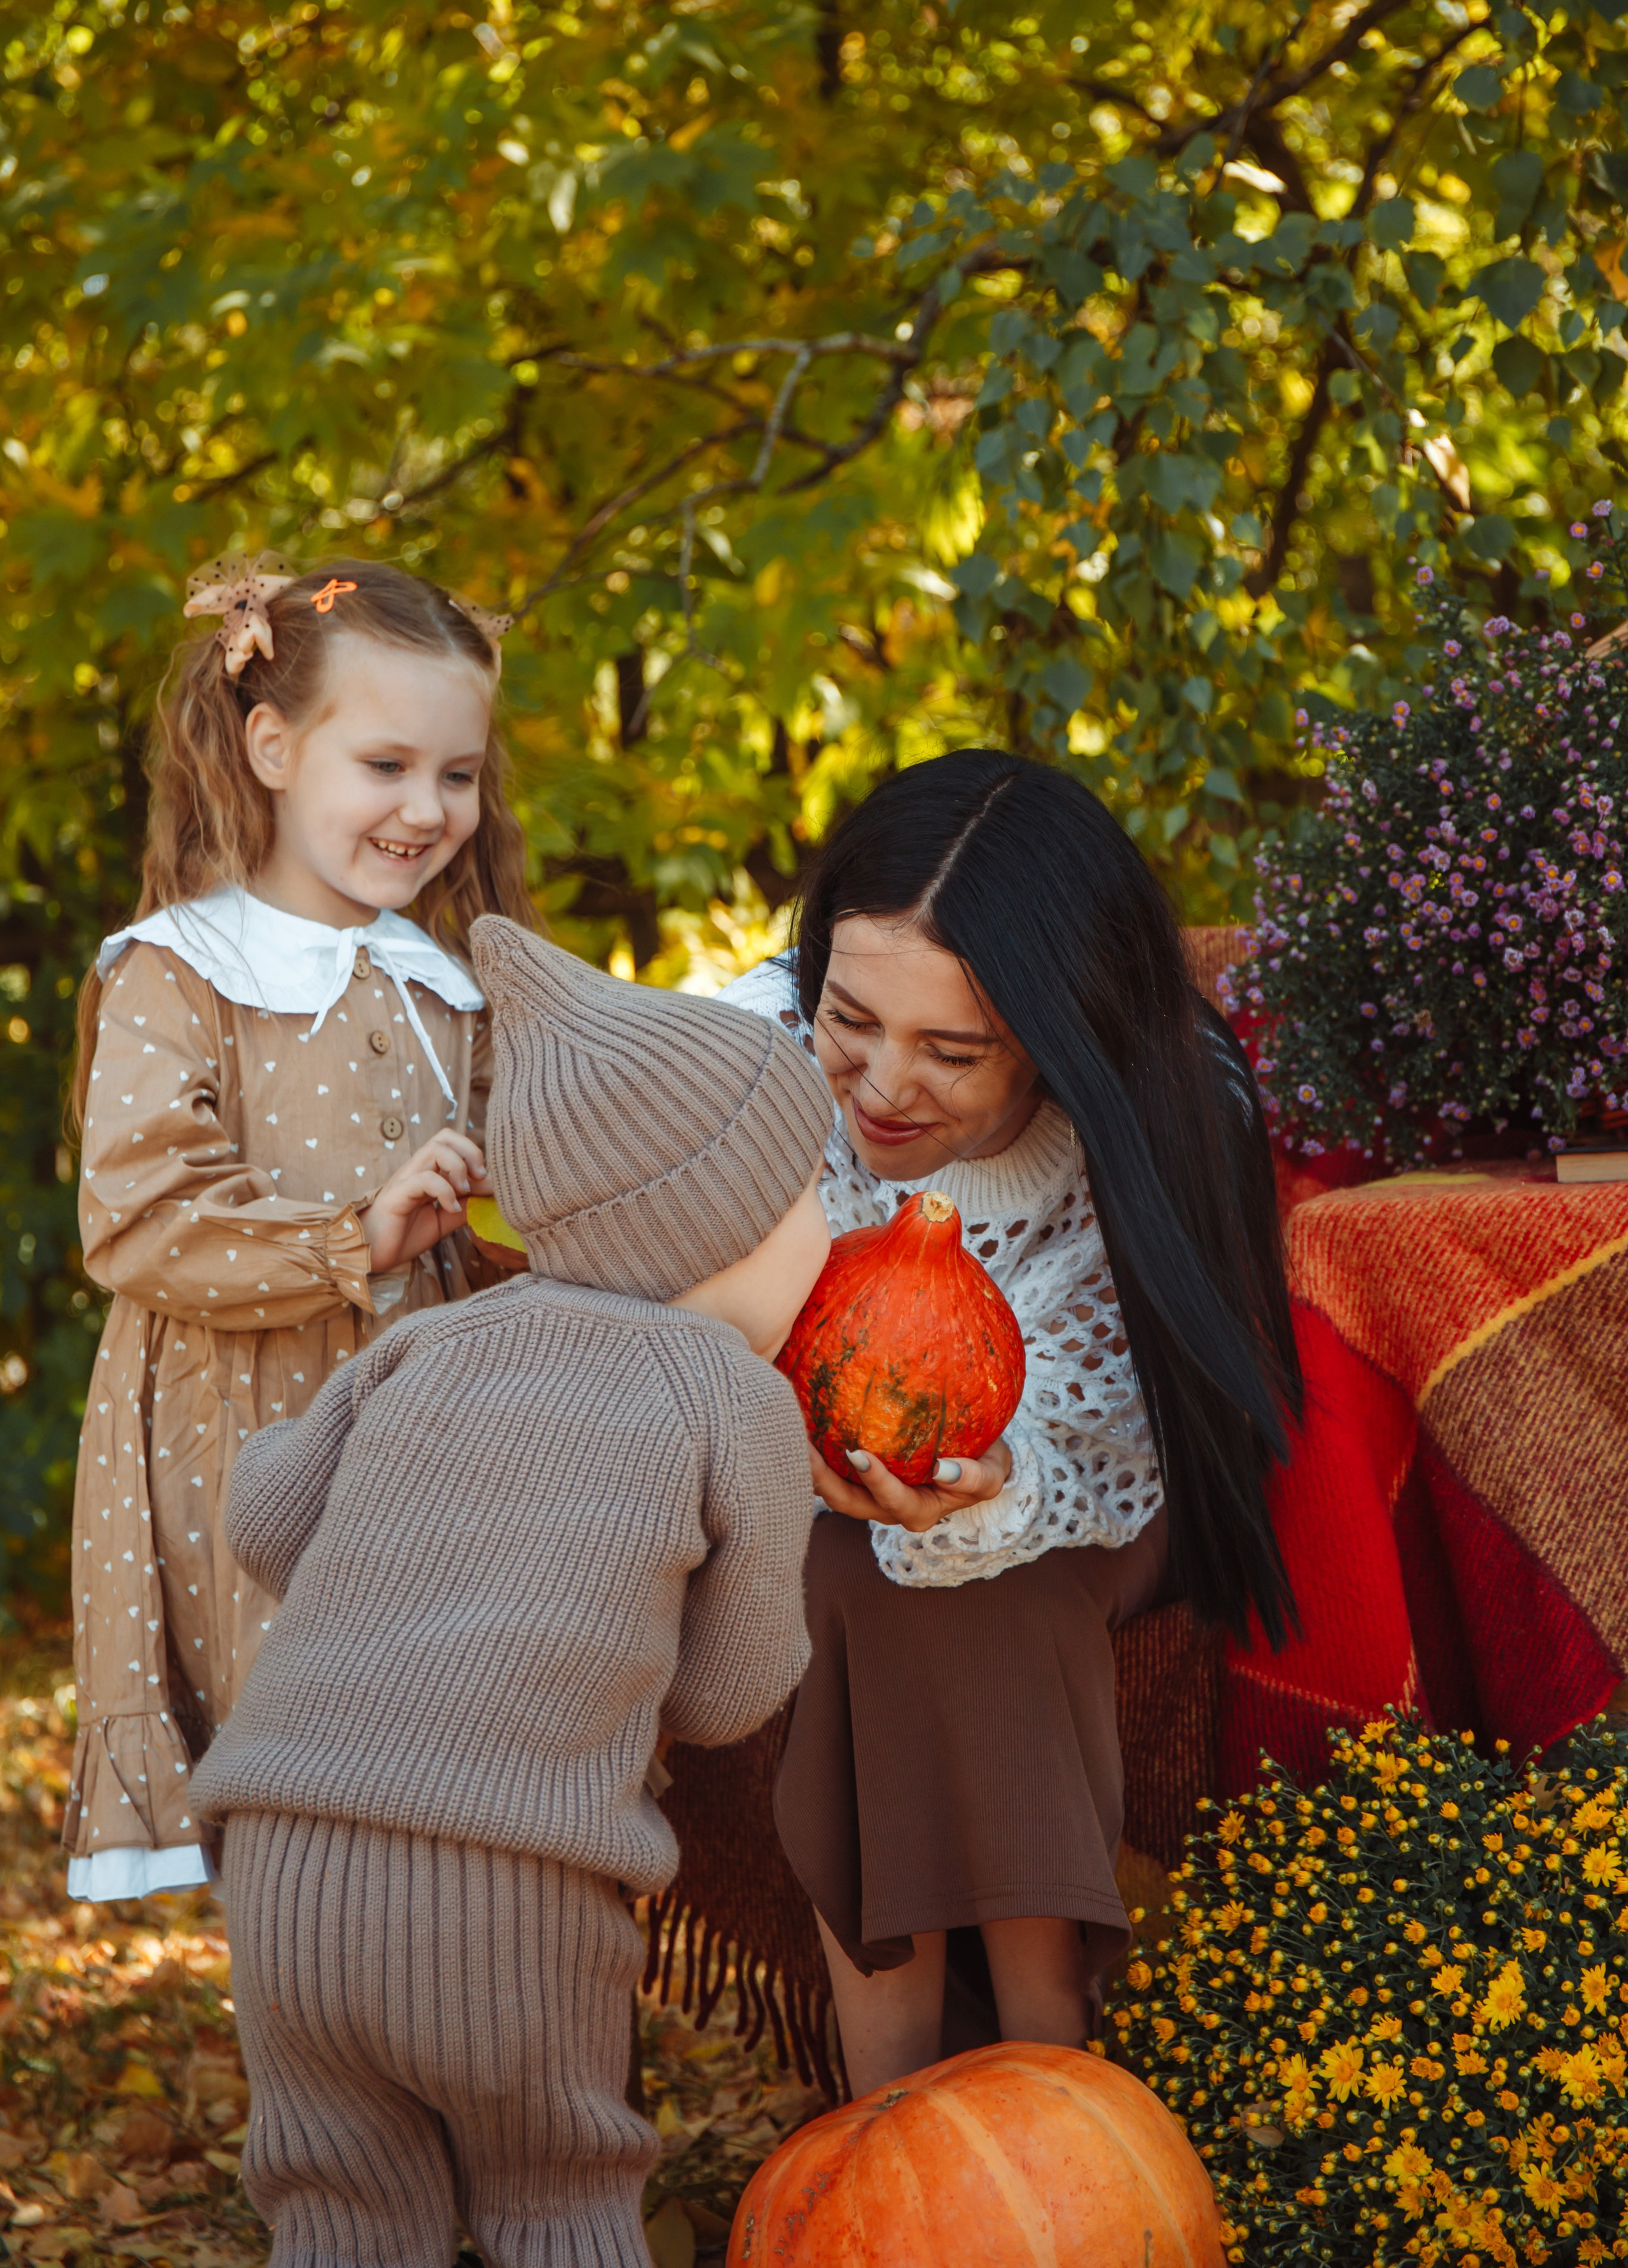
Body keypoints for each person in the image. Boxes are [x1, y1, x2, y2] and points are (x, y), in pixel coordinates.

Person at [189, 917, 834, 2268]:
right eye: (810, 1196)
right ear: (722, 1221)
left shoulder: (429, 1342)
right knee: (557, 2195)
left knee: (343, 2210)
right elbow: (722, 1693)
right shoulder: (732, 1398)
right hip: (512, 1885)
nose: (827, 1232)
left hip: (280, 1857)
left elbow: (263, 1513)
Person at [719, 747, 1299, 2096]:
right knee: (857, 1578)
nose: (878, 1083)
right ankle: (931, 2103)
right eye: (850, 1017)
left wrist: (1002, 1488)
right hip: (808, 1481)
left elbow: (1138, 1429)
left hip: (1099, 1480)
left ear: (1058, 1030)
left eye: (952, 1051)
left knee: (945, 1587)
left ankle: (1031, 2066)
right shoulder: (747, 1065)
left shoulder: (1161, 1114)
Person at [64, 554, 533, 1904]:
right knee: (298, 1814)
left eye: (456, 775)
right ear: (272, 745)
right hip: (248, 1440)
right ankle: (323, 2088)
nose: (426, 809)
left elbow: (521, 1190)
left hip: (429, 1426)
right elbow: (142, 1219)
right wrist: (350, 1237)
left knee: (430, 1793)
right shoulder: (181, 969)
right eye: (385, 765)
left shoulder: (447, 981)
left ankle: (441, 2057)